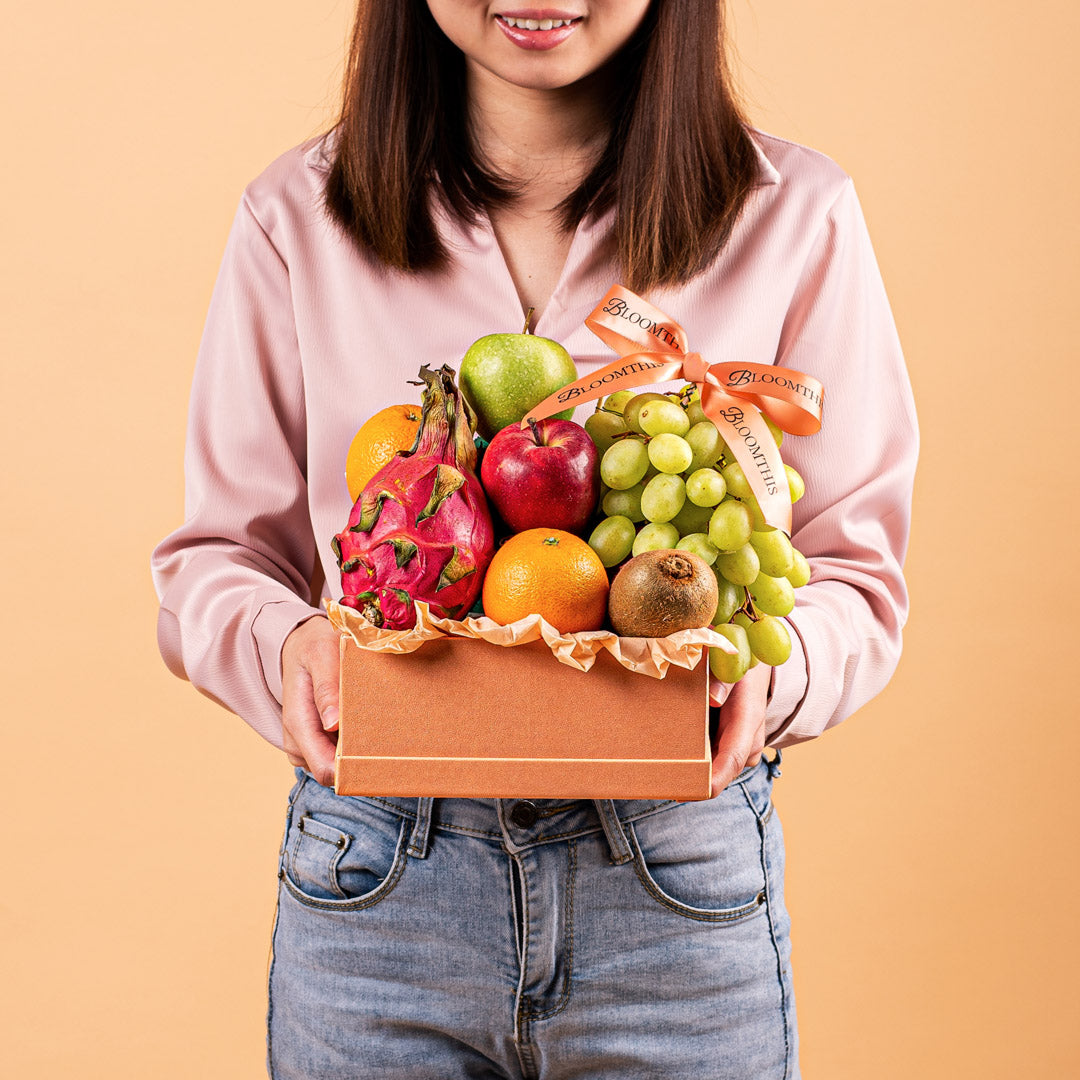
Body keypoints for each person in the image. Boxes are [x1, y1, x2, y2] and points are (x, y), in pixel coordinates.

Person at [152, 1, 918, 1077]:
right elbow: (217, 556)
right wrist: (288, 648)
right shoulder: (297, 218)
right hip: (379, 883)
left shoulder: (795, 217)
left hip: (673, 881)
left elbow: (852, 571)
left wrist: (772, 679)